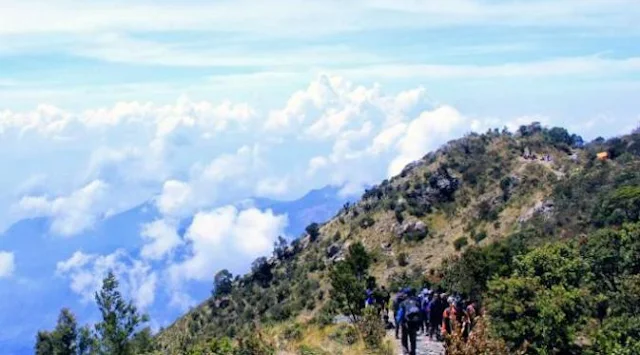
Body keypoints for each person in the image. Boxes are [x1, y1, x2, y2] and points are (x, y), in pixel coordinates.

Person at [396, 288, 422, 355]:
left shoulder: (403, 303)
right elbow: (420, 313)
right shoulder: (416, 302)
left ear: (406, 294)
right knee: (413, 339)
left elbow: (400, 314)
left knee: (404, 338)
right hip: (414, 323)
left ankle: (405, 351)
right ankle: (413, 352)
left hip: (405, 323)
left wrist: (398, 322)